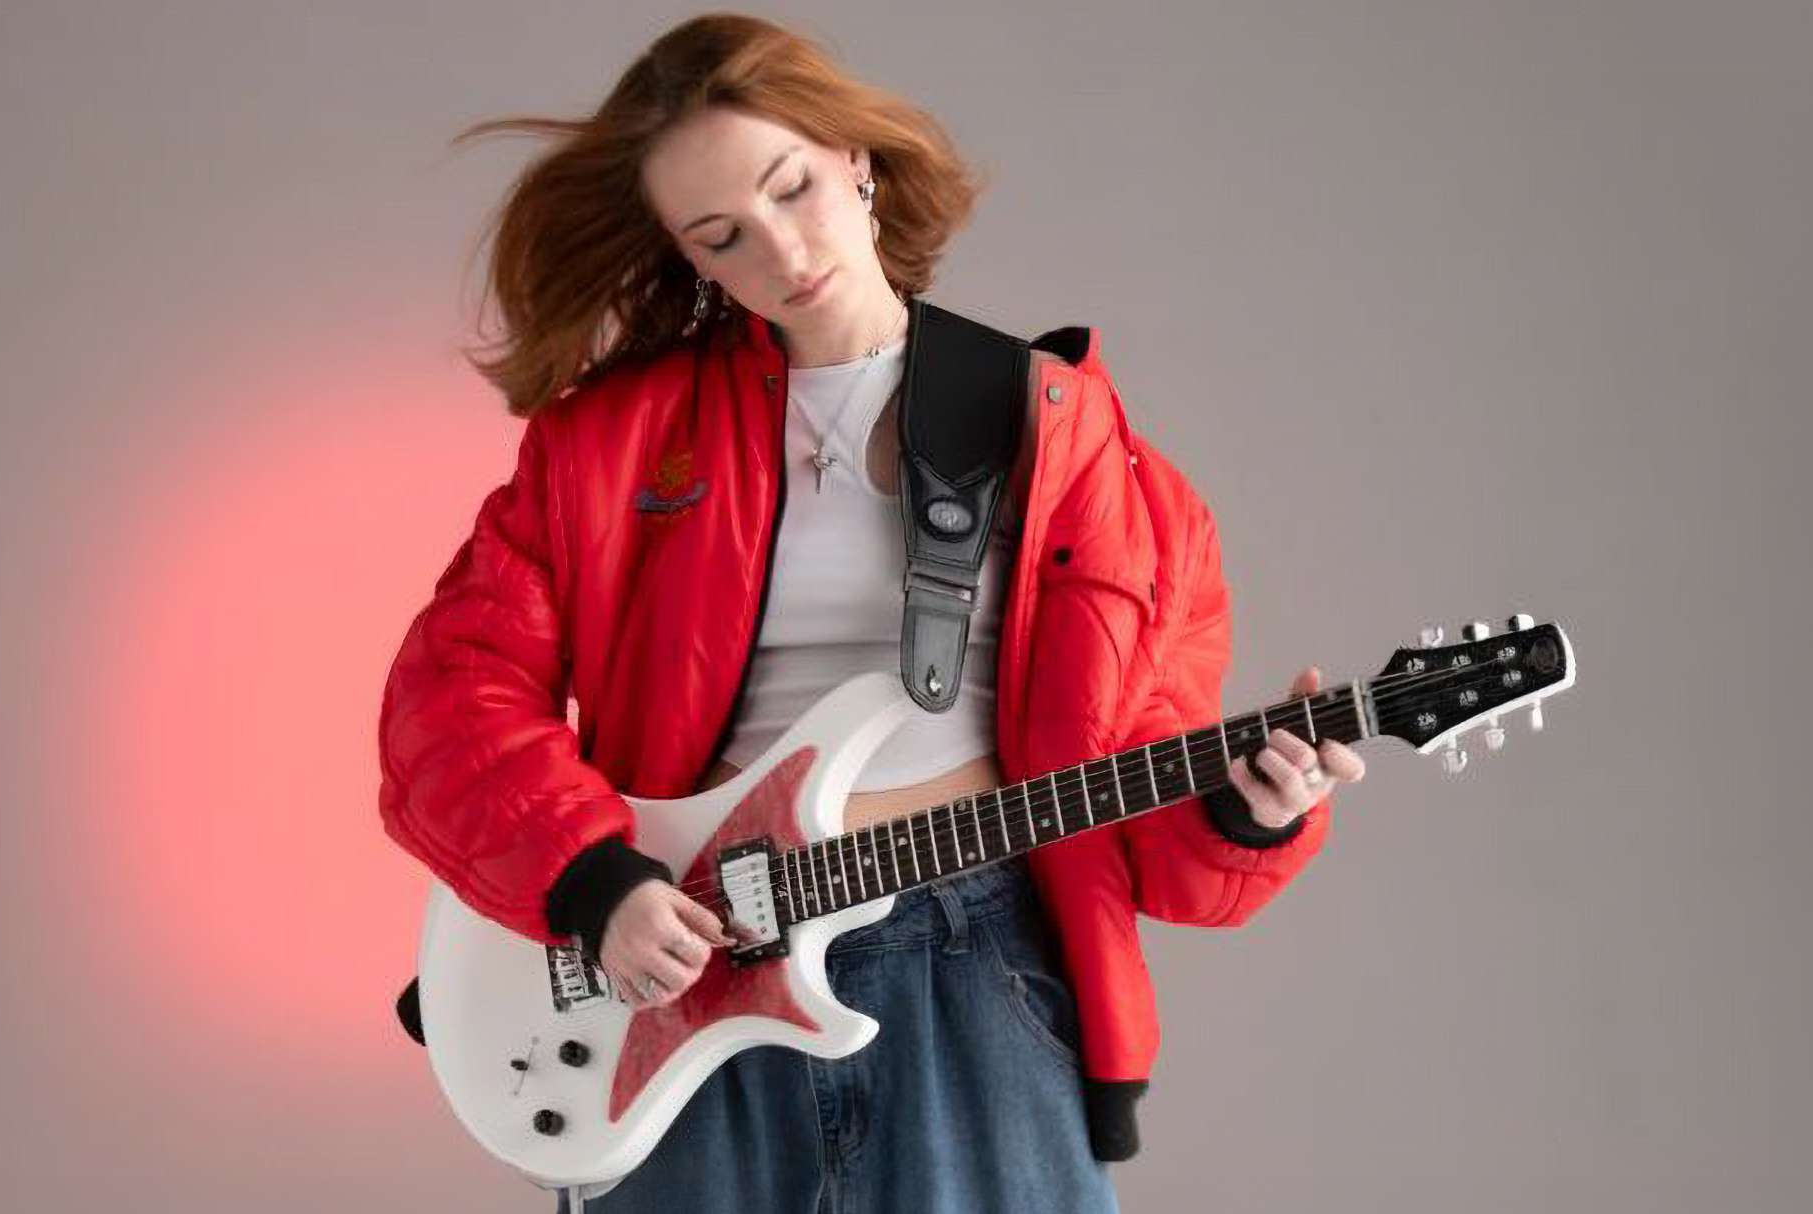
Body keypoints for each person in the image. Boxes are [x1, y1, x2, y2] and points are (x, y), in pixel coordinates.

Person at [377, 13, 1365, 1212]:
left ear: (855, 157)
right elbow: (451, 691)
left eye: (792, 185)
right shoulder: (607, 443)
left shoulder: (1067, 443)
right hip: (685, 959)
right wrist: (596, 881)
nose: (781, 249)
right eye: (721, 235)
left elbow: (1146, 802)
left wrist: (1249, 814)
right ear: (690, 260)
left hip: (975, 952)